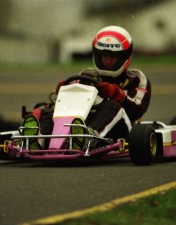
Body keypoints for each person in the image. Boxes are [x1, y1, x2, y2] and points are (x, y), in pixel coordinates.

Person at [23, 25, 151, 149]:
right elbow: (72, 101)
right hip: (82, 123)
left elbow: (138, 109)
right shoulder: (87, 75)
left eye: (112, 56)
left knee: (111, 105)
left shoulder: (136, 79)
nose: (107, 61)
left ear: (124, 56)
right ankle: (38, 140)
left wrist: (116, 93)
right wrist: (64, 90)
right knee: (51, 110)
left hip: (121, 130)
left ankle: (87, 137)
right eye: (104, 55)